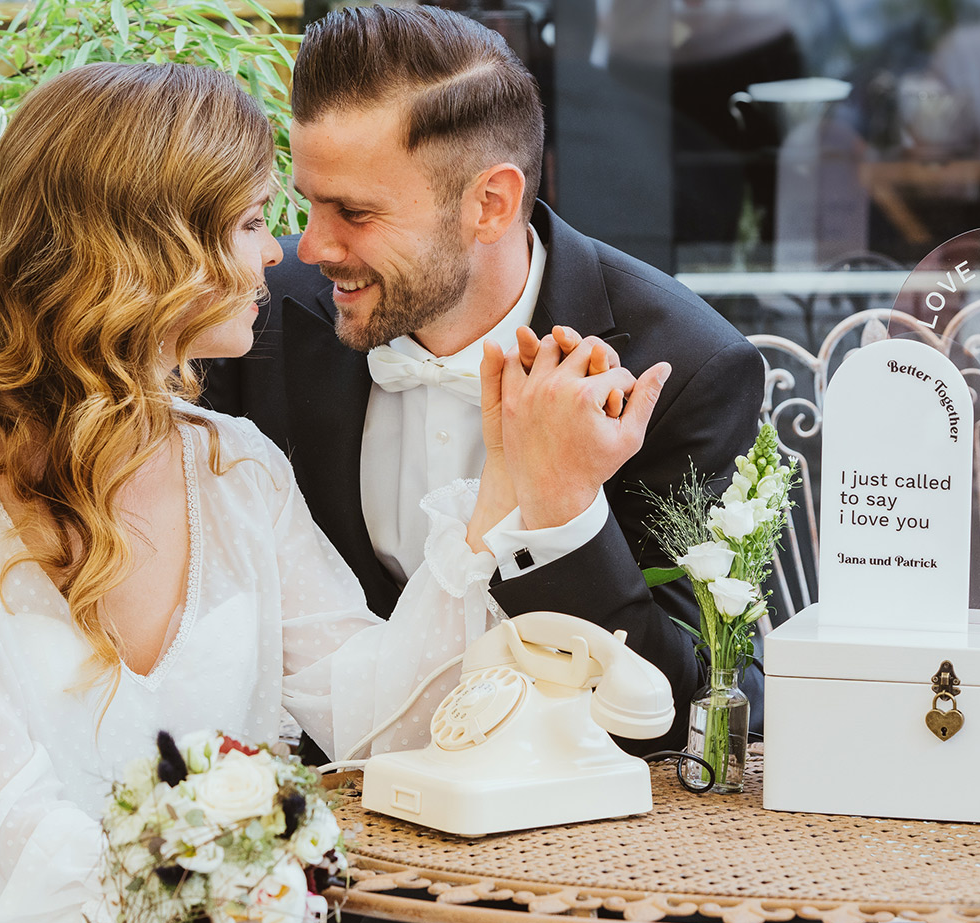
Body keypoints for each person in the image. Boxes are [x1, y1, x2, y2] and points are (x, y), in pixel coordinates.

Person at [0, 61, 660, 923]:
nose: (283, 250)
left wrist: (506, 485)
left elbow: (380, 720)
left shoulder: (236, 469)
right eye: (255, 220)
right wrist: (240, 898)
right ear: (149, 246)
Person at [202, 5, 767, 753]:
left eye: (354, 212)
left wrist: (563, 514)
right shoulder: (255, 316)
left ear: (489, 204)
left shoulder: (686, 366)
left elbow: (708, 712)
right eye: (307, 202)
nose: (311, 245)